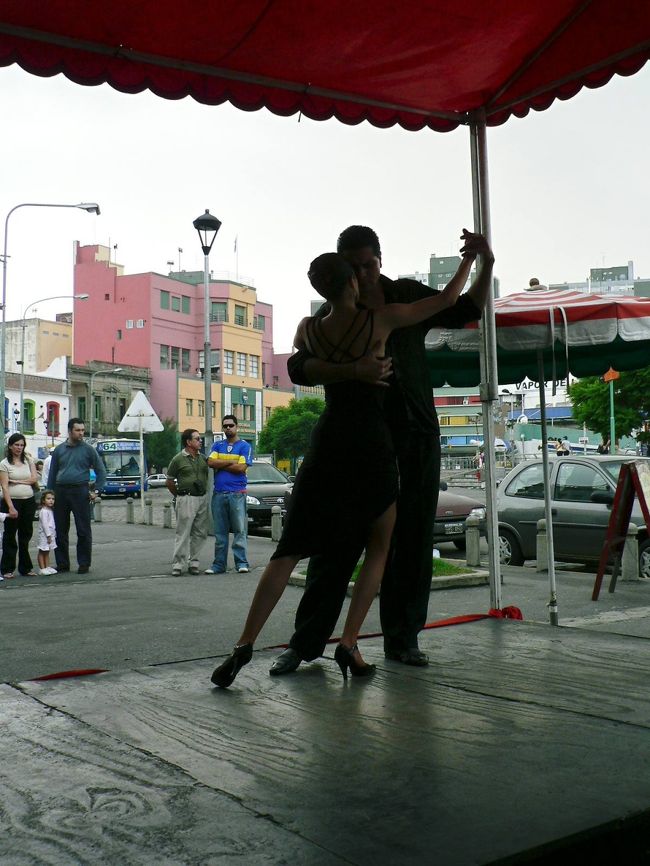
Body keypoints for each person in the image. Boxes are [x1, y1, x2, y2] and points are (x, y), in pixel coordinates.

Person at [211, 242, 485, 689]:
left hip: (329, 443)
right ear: (353, 278)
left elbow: (299, 363)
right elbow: (449, 299)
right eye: (358, 268)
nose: (366, 272)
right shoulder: (383, 319)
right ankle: (347, 642)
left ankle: (245, 644)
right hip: (373, 444)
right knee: (377, 547)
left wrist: (341, 369)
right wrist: (472, 259)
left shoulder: (307, 327)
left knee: (291, 550)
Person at [49, 417, 107, 574]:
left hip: (80, 491)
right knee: (60, 530)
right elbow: (52, 474)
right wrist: (49, 495)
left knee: (83, 529)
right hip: (60, 491)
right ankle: (62, 563)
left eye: (82, 430)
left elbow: (101, 471)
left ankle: (84, 563)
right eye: (78, 430)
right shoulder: (59, 450)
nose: (81, 433)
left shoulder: (88, 450)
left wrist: (96, 491)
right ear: (70, 431)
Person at [206, 416, 253, 575]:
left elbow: (241, 468)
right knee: (220, 533)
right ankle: (219, 565)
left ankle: (242, 563)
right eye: (225, 426)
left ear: (237, 427)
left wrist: (221, 462)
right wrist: (231, 462)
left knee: (239, 530)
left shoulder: (245, 446)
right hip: (219, 494)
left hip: (237, 494)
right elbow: (210, 463)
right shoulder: (217, 444)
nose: (228, 428)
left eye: (231, 425)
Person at [166, 428, 209, 576]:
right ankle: (178, 564)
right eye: (197, 439)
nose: (200, 441)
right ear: (188, 442)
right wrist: (179, 495)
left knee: (200, 532)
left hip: (202, 498)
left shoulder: (203, 458)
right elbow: (170, 480)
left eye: (200, 438)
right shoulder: (178, 459)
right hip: (186, 498)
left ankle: (194, 562)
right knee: (183, 532)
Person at [0, 433, 37, 578]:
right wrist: (10, 507)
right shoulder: (4, 464)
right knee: (10, 535)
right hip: (12, 501)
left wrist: (19, 482)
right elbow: (5, 486)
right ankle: (7, 568)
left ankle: (26, 567)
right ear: (10, 446)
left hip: (28, 500)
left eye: (22, 445)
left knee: (25, 534)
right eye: (16, 445)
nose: (19, 448)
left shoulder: (28, 460)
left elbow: (34, 478)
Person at [37, 489, 57, 575]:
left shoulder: (50, 510)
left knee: (47, 550)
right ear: (43, 500)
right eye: (48, 498)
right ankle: (42, 568)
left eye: (52, 499)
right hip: (44, 535)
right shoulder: (43, 511)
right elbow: (45, 524)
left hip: (51, 534)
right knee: (42, 550)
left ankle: (47, 566)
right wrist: (48, 535)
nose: (51, 500)